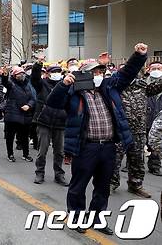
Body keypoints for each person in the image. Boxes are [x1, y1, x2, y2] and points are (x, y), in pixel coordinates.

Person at [47, 43, 149, 235]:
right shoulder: (74, 93)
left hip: (108, 148)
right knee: (78, 187)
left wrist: (138, 55)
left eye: (101, 70)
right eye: (94, 71)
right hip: (86, 148)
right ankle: (77, 219)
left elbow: (127, 73)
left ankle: (97, 219)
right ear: (84, 74)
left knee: (102, 188)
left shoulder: (109, 88)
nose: (98, 74)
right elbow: (53, 103)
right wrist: (64, 84)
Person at [110, 61, 162, 197]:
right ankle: (111, 183)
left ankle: (135, 184)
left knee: (138, 160)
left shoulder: (143, 85)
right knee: (114, 159)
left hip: (139, 129)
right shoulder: (116, 85)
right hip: (120, 129)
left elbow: (158, 85)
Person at [30, 56, 68, 186]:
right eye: (53, 71)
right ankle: (39, 173)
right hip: (44, 121)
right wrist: (38, 64)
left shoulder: (65, 85)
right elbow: (34, 77)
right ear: (47, 73)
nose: (56, 74)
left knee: (59, 151)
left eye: (58, 71)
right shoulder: (42, 84)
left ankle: (59, 175)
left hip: (60, 122)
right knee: (42, 150)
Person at [0, 64, 35, 162]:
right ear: (14, 75)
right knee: (10, 136)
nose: (21, 75)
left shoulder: (28, 84)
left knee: (25, 136)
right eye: (19, 74)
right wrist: (5, 74)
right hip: (12, 114)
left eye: (22, 73)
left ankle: (26, 154)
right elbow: (5, 82)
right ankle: (10, 154)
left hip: (25, 114)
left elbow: (33, 98)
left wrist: (29, 105)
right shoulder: (11, 84)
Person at [147, 61, 162, 176]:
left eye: (159, 68)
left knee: (156, 143)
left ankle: (155, 165)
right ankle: (130, 165)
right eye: (153, 68)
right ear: (148, 70)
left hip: (159, 119)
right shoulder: (143, 84)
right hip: (144, 119)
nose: (156, 70)